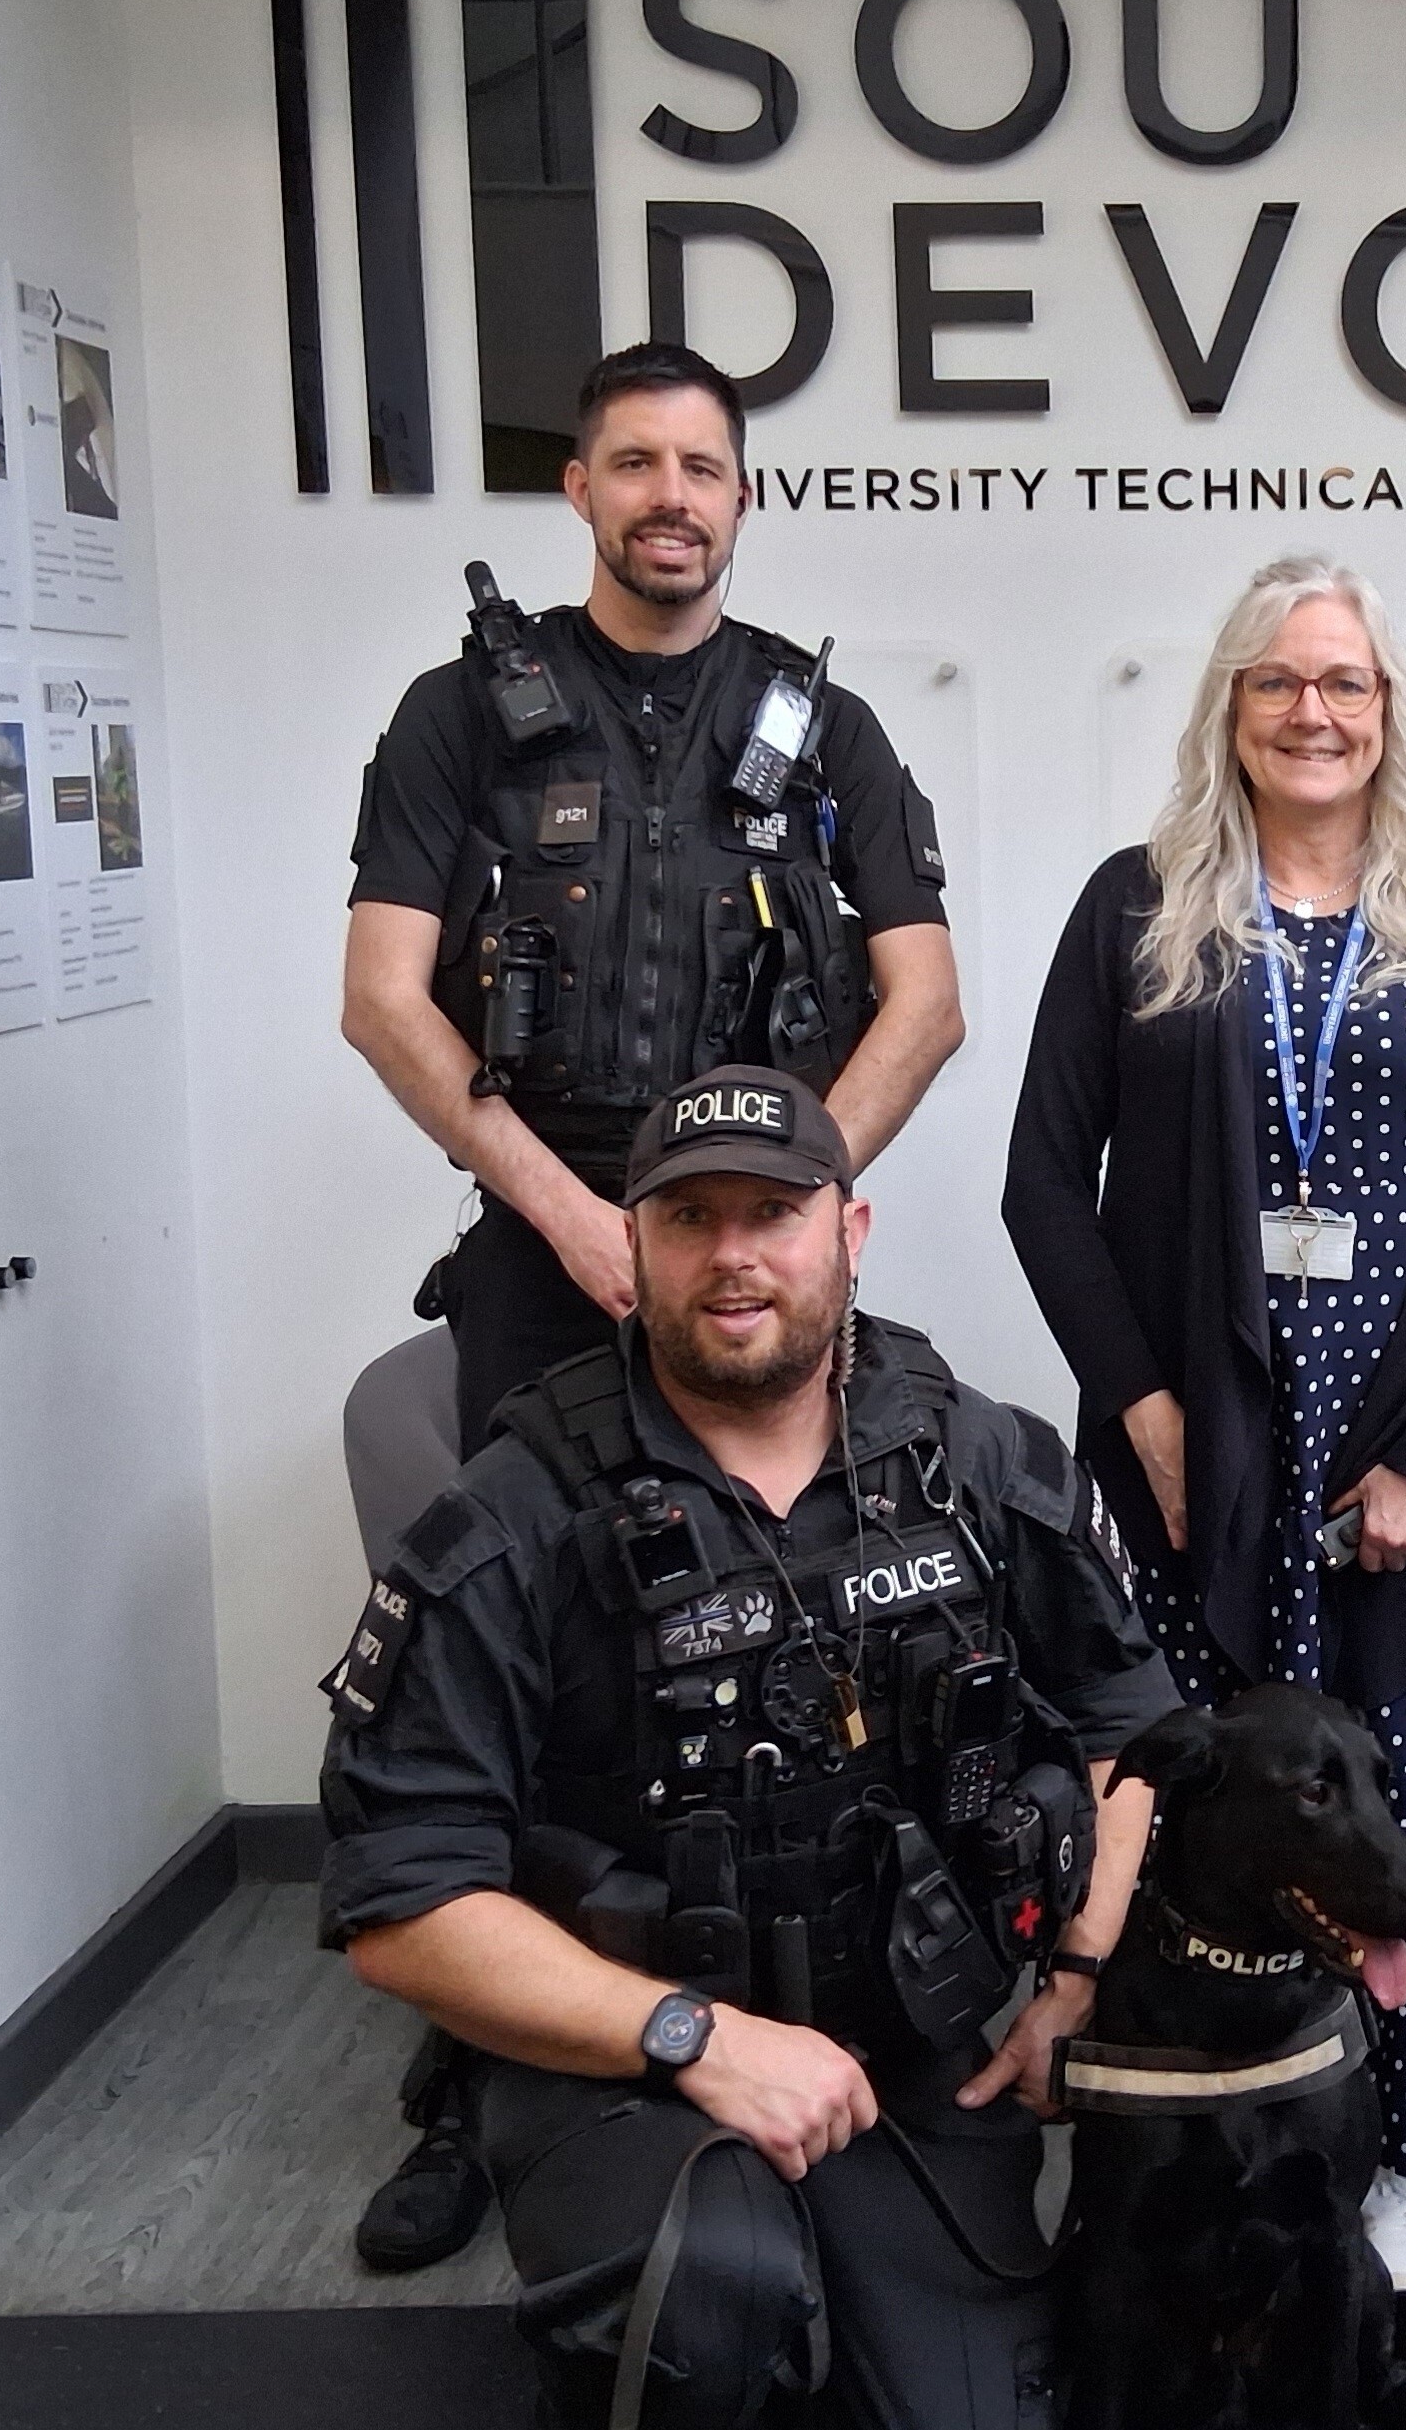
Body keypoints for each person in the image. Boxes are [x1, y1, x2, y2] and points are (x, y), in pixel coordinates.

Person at [318, 1068, 1174, 2430]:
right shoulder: (520, 1513)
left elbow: (1134, 1730)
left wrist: (1076, 1977)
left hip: (910, 2047)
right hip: (628, 2057)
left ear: (850, 1230)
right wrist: (693, 2038)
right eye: (690, 1217)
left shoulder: (975, 1460)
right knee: (706, 2276)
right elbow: (400, 1903)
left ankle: (814, 2337)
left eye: (774, 1214)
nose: (734, 1255)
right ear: (629, 1248)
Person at [338, 340, 966, 2272]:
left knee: (801, 1637)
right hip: (550, 1255)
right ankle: (489, 2071)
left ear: (741, 496)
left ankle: (813, 2013)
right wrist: (578, 1214)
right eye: (634, 463)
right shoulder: (462, 715)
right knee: (535, 1671)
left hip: (761, 1261)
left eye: (703, 466)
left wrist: (784, 1210)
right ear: (581, 490)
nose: (670, 496)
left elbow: (926, 1001)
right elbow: (384, 997)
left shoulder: (825, 730)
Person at [1003, 558, 1406, 2291]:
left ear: (1388, 711)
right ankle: (1183, 2129)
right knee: (1208, 1819)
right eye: (1277, 681)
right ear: (1229, 707)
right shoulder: (1137, 910)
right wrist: (1146, 1411)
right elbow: (1047, 1185)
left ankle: (1395, 2165)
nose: (1312, 712)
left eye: (1346, 683)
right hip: (1205, 1468)